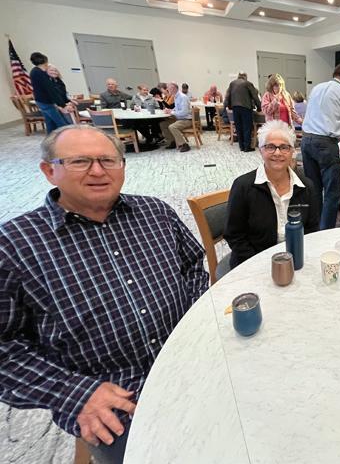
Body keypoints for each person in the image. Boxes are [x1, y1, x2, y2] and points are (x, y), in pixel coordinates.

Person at [0, 125, 208, 464]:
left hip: (191, 360)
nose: (98, 171)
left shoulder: (156, 214)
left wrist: (195, 325)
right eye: (80, 161)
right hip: (114, 397)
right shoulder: (14, 246)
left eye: (108, 160)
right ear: (49, 171)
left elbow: (192, 266)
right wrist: (71, 393)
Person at [224, 120, 320, 268]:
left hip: (296, 259)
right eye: (270, 147)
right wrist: (261, 265)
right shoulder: (243, 187)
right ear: (260, 150)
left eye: (284, 147)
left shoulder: (306, 187)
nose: (277, 153)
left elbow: (312, 230)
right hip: (253, 263)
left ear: (292, 152)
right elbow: (234, 235)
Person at [300, 64, 340, 230]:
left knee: (314, 189)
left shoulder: (316, 88)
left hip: (306, 141)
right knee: (331, 193)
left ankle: (314, 227)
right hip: (326, 144)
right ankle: (325, 231)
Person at [28, 52, 73, 133]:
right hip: (45, 102)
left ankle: (50, 139)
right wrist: (62, 105)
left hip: (42, 101)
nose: (47, 68)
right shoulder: (40, 74)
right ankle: (67, 139)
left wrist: (65, 102)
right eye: (46, 65)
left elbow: (58, 89)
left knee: (51, 124)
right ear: (44, 63)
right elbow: (51, 91)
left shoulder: (35, 71)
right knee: (62, 124)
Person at [224, 71, 261, 152]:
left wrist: (228, 106)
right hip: (246, 107)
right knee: (247, 127)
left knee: (239, 127)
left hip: (235, 108)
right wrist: (259, 107)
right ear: (245, 76)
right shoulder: (248, 84)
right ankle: (247, 147)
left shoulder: (232, 83)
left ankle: (241, 146)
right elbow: (255, 96)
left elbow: (228, 96)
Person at [163, 82, 193, 152]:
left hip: (186, 120)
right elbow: (177, 108)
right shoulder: (176, 96)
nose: (167, 90)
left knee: (172, 127)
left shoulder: (183, 97)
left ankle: (184, 145)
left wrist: (171, 112)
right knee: (163, 124)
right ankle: (172, 141)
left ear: (173, 88)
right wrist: (171, 110)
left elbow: (184, 112)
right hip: (180, 119)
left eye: (168, 88)